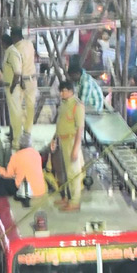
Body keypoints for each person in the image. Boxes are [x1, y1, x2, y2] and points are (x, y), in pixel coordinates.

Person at [54, 81, 85, 211]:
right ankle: (67, 197)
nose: (61, 93)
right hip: (62, 140)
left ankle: (74, 201)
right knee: (65, 172)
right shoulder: (63, 104)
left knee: (73, 172)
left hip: (71, 141)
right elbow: (59, 123)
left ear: (71, 91)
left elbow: (80, 129)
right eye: (61, 91)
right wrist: (54, 139)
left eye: (64, 90)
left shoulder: (77, 106)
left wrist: (75, 149)